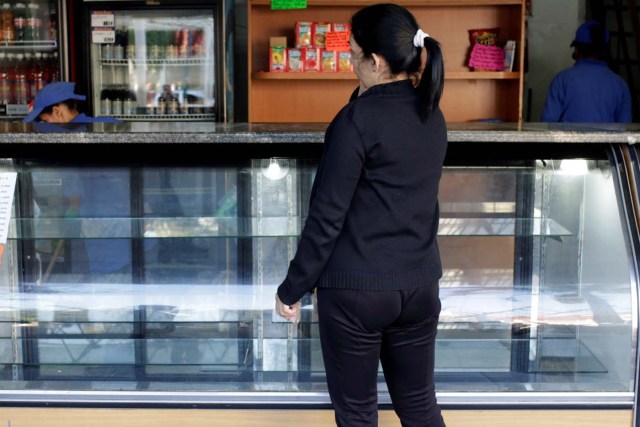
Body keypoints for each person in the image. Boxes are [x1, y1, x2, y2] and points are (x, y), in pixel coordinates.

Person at [275, 3, 447, 426]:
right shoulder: (432, 114)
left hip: (356, 292)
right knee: (421, 406)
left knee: (356, 414)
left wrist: (292, 288)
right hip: (420, 285)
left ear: (376, 60)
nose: (350, 64)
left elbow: (326, 217)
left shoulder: (355, 122)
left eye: (354, 55)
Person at [541, 20, 632, 123]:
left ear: (577, 49)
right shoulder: (620, 85)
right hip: (606, 140)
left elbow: (548, 126)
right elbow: (625, 131)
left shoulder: (562, 80)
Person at [23, 81, 122, 123]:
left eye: (45, 121)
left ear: (57, 112)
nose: (43, 126)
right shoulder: (110, 123)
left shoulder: (62, 140)